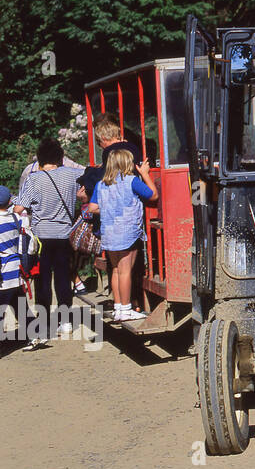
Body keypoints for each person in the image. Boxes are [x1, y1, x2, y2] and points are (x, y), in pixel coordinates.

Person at [13, 139, 81, 348]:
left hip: (41, 237)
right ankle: (66, 320)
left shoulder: (34, 179)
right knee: (63, 278)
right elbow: (88, 183)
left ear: (40, 160)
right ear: (61, 158)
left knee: (42, 280)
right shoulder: (72, 175)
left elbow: (19, 209)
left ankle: (42, 323)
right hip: (64, 235)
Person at [85, 148, 158, 323]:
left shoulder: (101, 184)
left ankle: (118, 307)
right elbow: (153, 195)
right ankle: (126, 309)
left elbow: (92, 208)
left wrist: (110, 209)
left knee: (116, 270)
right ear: (128, 164)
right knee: (126, 271)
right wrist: (145, 174)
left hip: (109, 233)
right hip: (127, 233)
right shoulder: (132, 181)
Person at [0, 187, 22, 340]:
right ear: (9, 201)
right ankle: (36, 334)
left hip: (3, 272)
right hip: (17, 268)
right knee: (20, 306)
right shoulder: (16, 218)